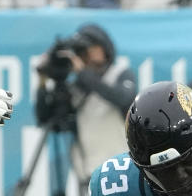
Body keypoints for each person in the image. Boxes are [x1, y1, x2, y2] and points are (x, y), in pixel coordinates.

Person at [35, 23, 137, 185]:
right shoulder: (79, 87)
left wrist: (83, 73)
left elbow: (123, 98)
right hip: (92, 173)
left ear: (105, 48)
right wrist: (43, 80)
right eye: (82, 51)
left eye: (92, 48)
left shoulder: (120, 74)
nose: (87, 55)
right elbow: (47, 119)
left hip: (123, 170)